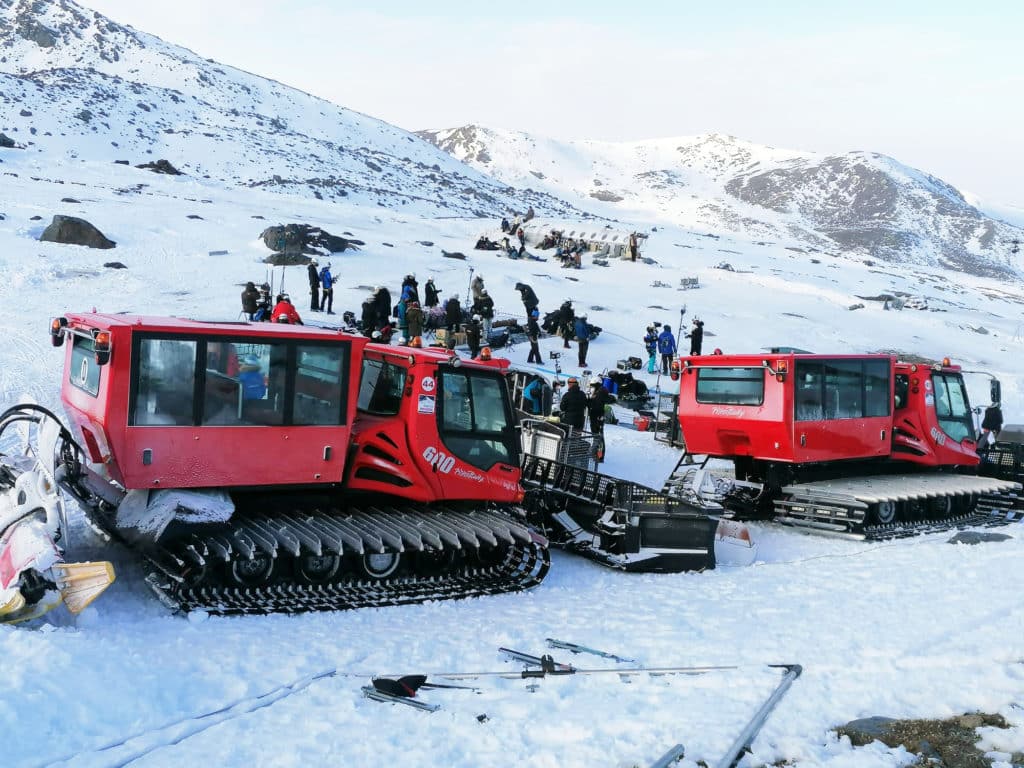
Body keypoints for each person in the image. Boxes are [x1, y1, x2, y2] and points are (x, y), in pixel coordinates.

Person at [587, 378, 616, 462]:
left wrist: (589, 401)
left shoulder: (601, 391)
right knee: (596, 435)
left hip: (598, 416)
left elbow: (597, 403)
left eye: (593, 385)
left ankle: (599, 456)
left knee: (598, 435)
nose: (591, 387)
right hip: (595, 415)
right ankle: (596, 453)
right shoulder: (597, 391)